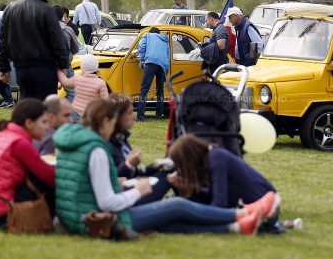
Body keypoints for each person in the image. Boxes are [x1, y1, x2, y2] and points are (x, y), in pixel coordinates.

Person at [53, 98, 268, 235]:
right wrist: (139, 191)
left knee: (166, 222)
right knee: (176, 206)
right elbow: (107, 202)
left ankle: (237, 227)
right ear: (105, 121)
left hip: (74, 217)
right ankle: (241, 214)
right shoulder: (96, 149)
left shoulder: (70, 140)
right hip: (98, 221)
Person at [0, 99, 56, 230]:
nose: (47, 127)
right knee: (42, 179)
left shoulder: (1, 135)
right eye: (43, 122)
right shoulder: (19, 143)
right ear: (29, 123)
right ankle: (51, 221)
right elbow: (50, 177)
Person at [168, 134, 283, 232]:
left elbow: (219, 203)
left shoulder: (215, 158)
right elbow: (214, 196)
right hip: (261, 209)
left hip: (264, 212)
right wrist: (189, 188)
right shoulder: (213, 156)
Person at [0, 0, 68, 101]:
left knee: (27, 107)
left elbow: (2, 41)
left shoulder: (10, 10)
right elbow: (57, 41)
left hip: (21, 68)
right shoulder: (47, 10)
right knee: (46, 108)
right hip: (45, 68)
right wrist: (63, 65)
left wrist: (3, 67)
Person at [108, 93, 172, 205]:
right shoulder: (107, 144)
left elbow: (135, 173)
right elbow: (111, 180)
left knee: (173, 170)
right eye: (129, 113)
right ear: (118, 117)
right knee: (177, 202)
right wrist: (128, 164)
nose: (134, 117)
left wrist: (155, 166)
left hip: (134, 191)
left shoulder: (122, 139)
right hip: (128, 199)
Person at [57, 53, 108, 123]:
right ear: (96, 67)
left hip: (76, 110)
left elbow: (65, 82)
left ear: (82, 67)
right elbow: (105, 102)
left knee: (77, 127)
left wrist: (58, 70)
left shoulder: (77, 78)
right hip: (91, 112)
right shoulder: (101, 83)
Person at [137, 27, 170, 121]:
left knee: (144, 90)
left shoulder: (147, 35)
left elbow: (141, 46)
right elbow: (168, 56)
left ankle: (140, 117)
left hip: (150, 63)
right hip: (162, 66)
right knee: (160, 92)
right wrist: (165, 70)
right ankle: (159, 116)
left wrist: (142, 59)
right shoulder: (165, 40)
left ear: (151, 32)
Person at [53, 5, 80, 116]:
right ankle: (75, 120)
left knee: (50, 93)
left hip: (50, 65)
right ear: (63, 15)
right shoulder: (68, 29)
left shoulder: (45, 29)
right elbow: (76, 48)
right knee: (72, 93)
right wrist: (69, 54)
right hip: (66, 64)